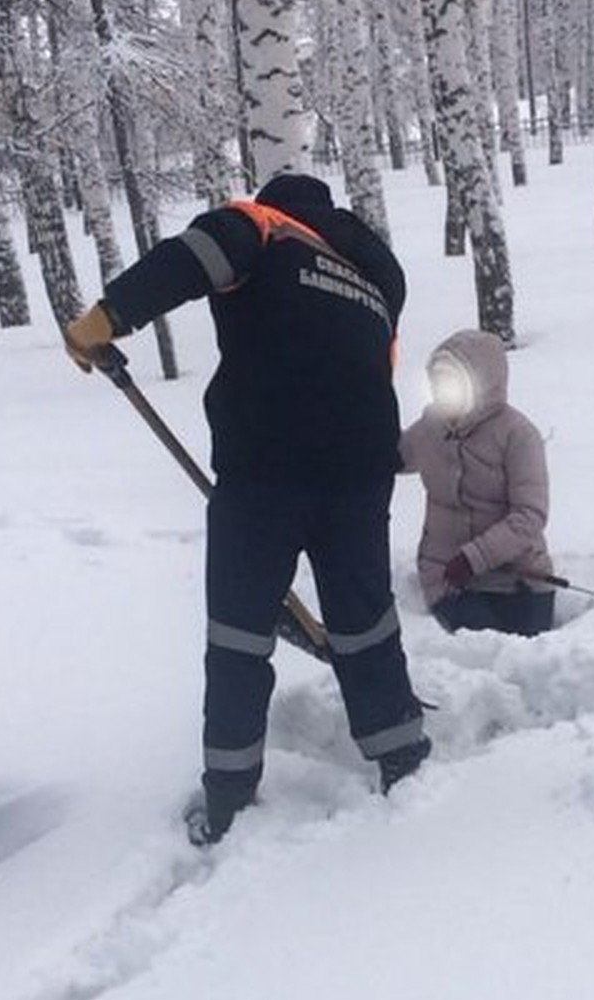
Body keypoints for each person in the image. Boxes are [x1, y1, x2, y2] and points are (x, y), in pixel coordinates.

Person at [64, 173, 430, 845]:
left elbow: (191, 259)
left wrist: (106, 318)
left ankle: (229, 797)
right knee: (364, 622)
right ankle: (403, 756)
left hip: (265, 472)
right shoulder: (374, 275)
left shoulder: (263, 226)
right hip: (360, 470)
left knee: (238, 636)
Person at [400, 329, 555, 637]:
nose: (443, 391)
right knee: (476, 649)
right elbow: (391, 458)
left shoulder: (518, 435)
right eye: (438, 382)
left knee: (523, 659)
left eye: (453, 382)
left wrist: (474, 557)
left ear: (480, 383)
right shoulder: (431, 427)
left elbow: (530, 515)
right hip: (450, 579)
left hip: (520, 578)